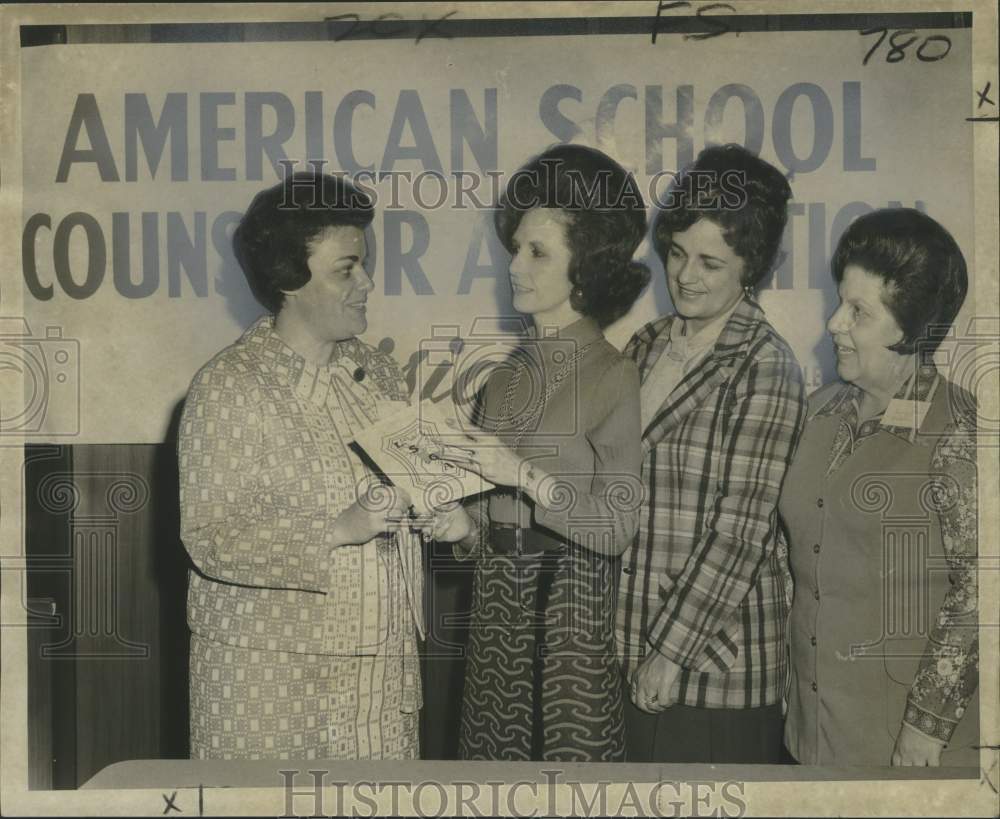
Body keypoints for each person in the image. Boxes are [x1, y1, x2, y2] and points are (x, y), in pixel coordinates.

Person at [177, 171, 470, 760]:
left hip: (378, 689)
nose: (366, 282)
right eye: (346, 268)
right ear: (289, 277)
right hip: (270, 691)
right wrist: (338, 529)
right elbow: (210, 538)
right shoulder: (228, 387)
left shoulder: (381, 374)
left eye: (363, 265)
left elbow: (415, 494)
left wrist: (445, 516)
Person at [436, 144, 649, 762]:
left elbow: (615, 526)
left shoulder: (615, 375)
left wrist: (527, 477)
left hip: (570, 616)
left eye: (538, 252)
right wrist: (460, 528)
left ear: (586, 266)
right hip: (494, 613)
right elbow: (485, 533)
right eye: (515, 248)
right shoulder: (501, 379)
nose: (514, 266)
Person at [617, 143, 807, 764]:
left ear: (751, 267)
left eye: (710, 263)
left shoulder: (766, 364)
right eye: (676, 253)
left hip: (710, 670)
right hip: (627, 648)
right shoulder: (646, 345)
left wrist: (670, 652)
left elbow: (742, 529)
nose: (686, 276)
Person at [780, 208, 979, 766]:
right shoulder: (817, 413)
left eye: (859, 312)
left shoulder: (962, 430)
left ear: (911, 328)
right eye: (840, 302)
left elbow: (982, 590)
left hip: (904, 746)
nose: (834, 323)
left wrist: (927, 727)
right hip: (811, 734)